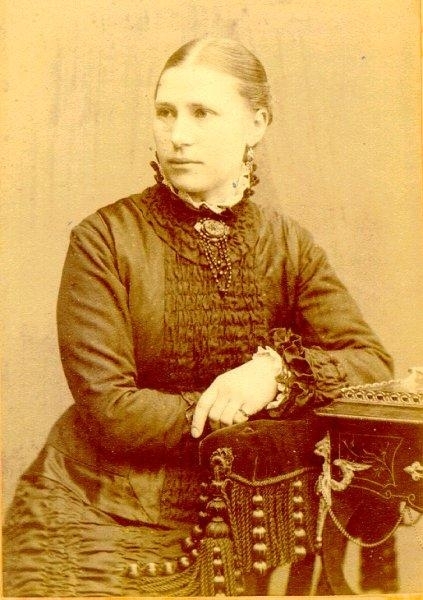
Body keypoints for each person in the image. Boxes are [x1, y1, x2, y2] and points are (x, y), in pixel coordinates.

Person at [3, 37, 393, 597]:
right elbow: (111, 409)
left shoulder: (288, 245)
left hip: (243, 522)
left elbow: (370, 363)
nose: (178, 135)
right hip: (98, 514)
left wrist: (273, 377)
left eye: (202, 113)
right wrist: (230, 408)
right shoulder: (103, 240)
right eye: (165, 112)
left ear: (257, 123)